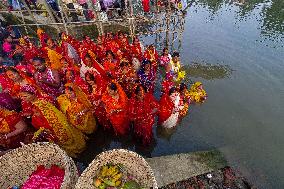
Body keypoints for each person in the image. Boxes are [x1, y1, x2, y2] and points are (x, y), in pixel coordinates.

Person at [18, 85, 86, 157]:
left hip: (55, 124)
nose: (23, 99)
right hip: (50, 125)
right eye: (21, 97)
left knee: (66, 139)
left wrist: (51, 128)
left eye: (25, 96)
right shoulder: (35, 104)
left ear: (33, 94)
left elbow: (52, 117)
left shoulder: (42, 103)